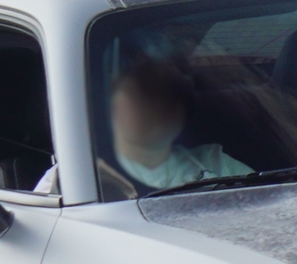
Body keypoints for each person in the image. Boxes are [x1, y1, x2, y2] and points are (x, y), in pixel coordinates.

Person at [107, 54, 251, 192]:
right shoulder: (94, 178)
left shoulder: (217, 164)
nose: (161, 104)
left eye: (173, 92)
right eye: (144, 90)